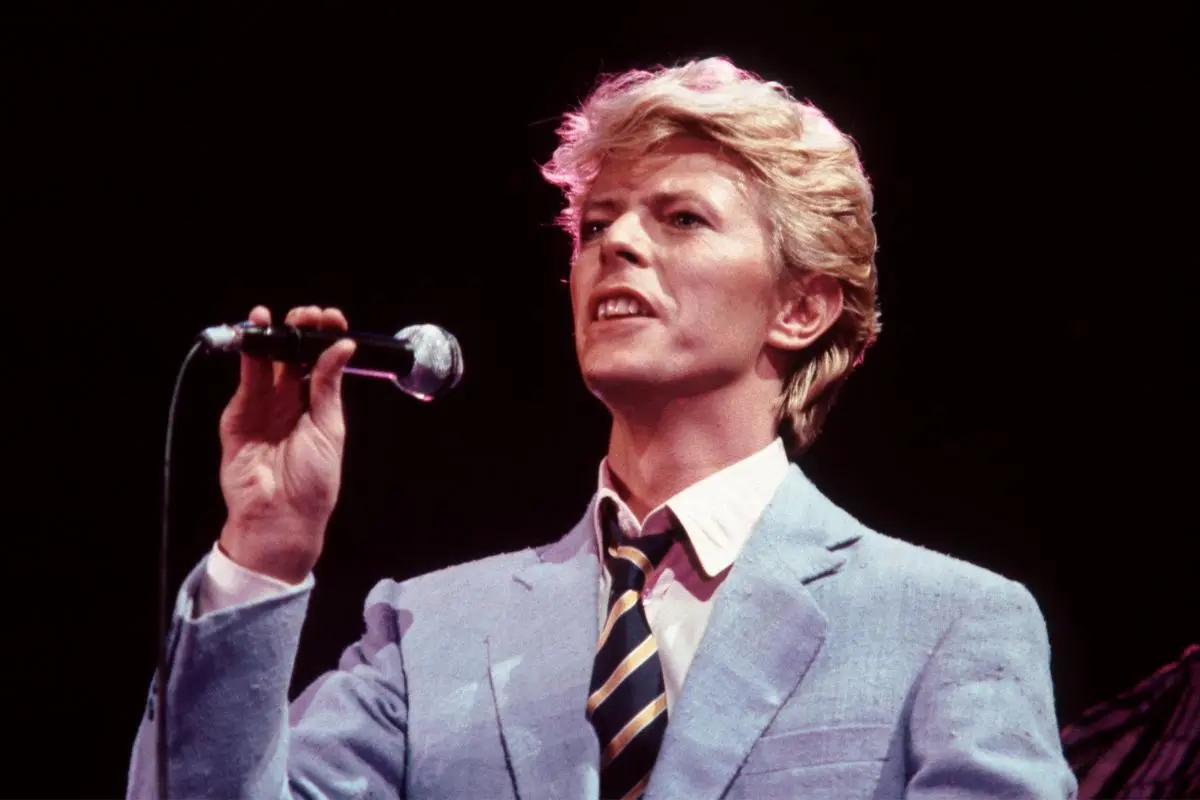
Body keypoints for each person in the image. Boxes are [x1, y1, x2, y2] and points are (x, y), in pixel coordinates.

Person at [127, 57, 1078, 799]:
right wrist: (263, 551)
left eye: (681, 219)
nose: (615, 244)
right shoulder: (429, 629)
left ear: (802, 307)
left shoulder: (948, 620)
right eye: (596, 226)